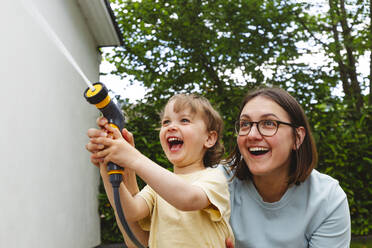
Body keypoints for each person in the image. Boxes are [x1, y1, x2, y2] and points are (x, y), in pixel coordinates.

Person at [87, 94, 234, 248]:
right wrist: (107, 167)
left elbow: (188, 198)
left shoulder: (214, 177)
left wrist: (134, 158)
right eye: (166, 122)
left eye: (184, 120)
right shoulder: (156, 187)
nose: (171, 126)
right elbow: (131, 212)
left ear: (209, 138)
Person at [223, 87, 351, 247]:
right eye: (245, 124)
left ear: (297, 138)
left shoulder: (328, 199)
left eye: (269, 123)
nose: (252, 134)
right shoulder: (217, 181)